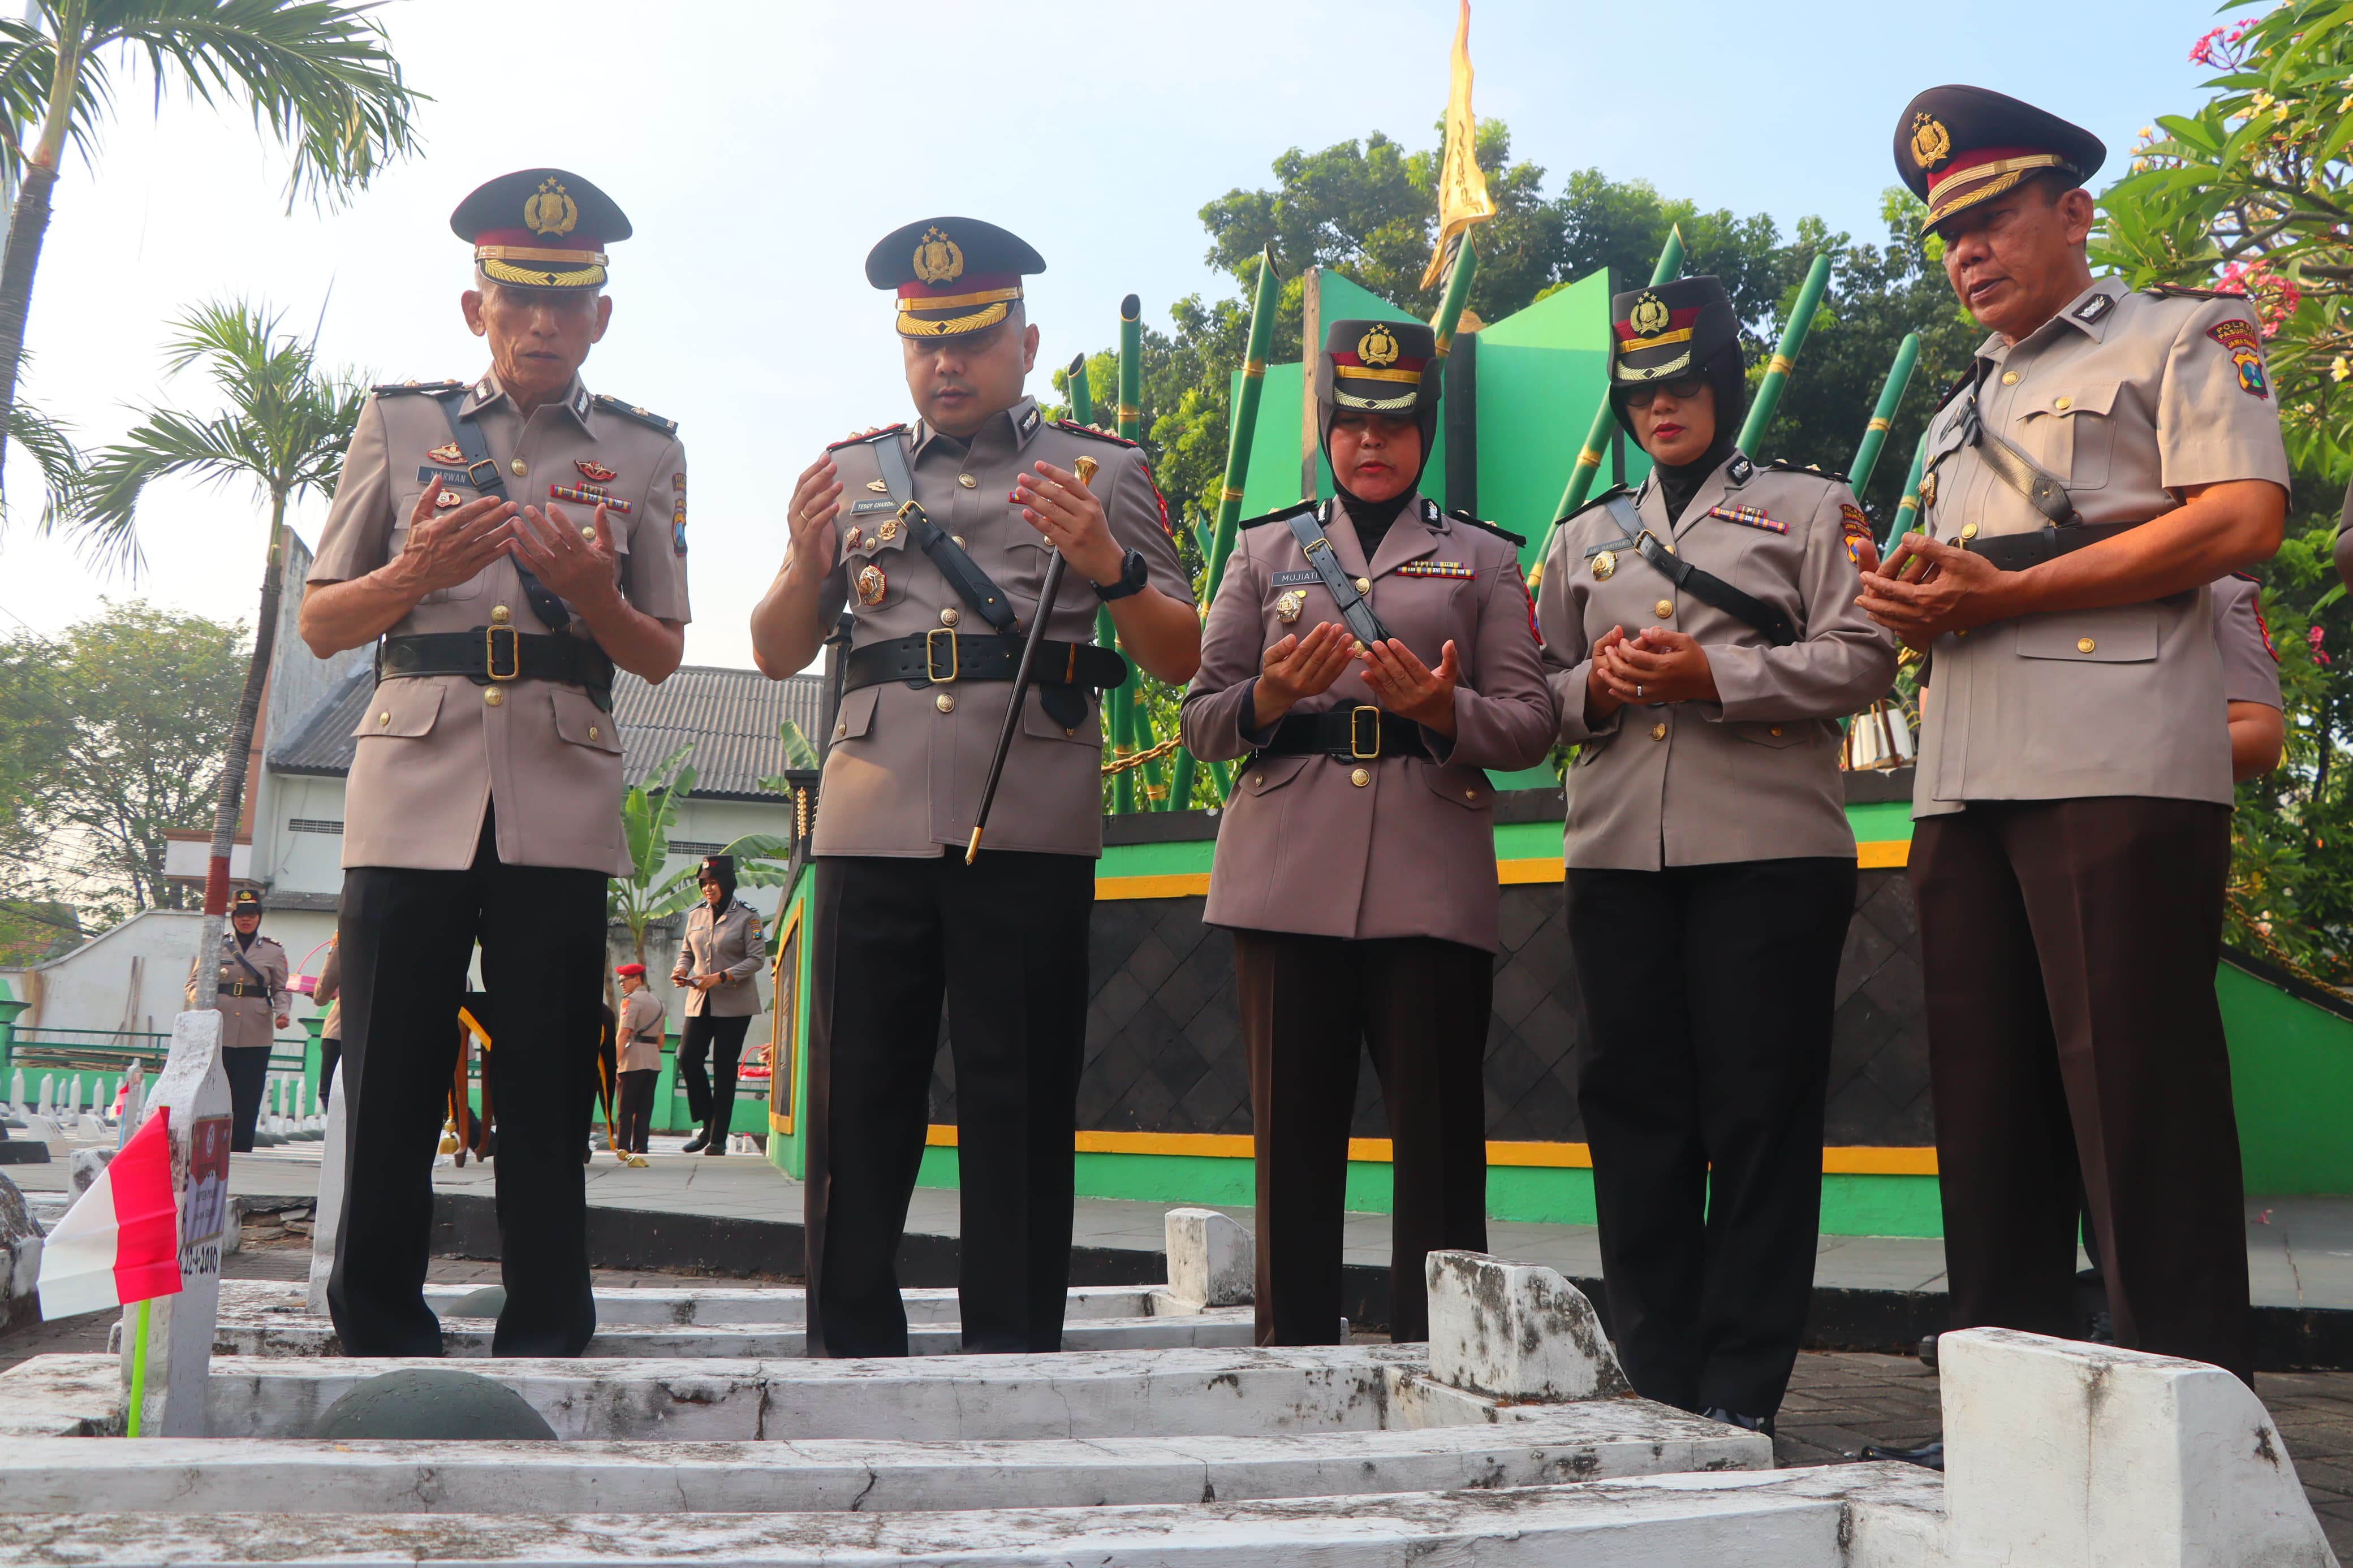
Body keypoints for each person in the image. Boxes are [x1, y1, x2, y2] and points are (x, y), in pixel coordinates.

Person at [1859, 87, 2288, 1385]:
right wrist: (1904, 599)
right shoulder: (1950, 415)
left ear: (2072, 210)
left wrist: (2005, 590)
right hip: (1964, 777)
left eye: (1992, 216)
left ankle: (2190, 1422)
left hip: (2118, 770)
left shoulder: (2182, 337)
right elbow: (1964, 595)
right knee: (1988, 1118)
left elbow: (2236, 520)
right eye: (1948, 233)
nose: (1967, 250)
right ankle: (2005, 1415)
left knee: (2136, 1106)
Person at [749, 216, 1199, 1357]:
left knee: (1017, 1093)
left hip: (1028, 819)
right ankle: (848, 1336)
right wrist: (806, 571)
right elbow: (770, 648)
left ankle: (1012, 1342)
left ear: (1025, 341)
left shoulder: (1102, 473)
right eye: (924, 341)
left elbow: (1183, 654)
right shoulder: (846, 476)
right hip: (871, 810)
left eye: (971, 338)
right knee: (858, 1095)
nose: (945, 363)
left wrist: (1112, 565)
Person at [296, 167, 691, 1358]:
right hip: (414, 778)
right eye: (517, 298)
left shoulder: (644, 450)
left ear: (600, 318)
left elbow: (663, 652)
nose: (541, 323)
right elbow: (324, 622)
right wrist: (413, 576)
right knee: (392, 1067)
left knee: (544, 1071)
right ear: (479, 308)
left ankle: (549, 1319)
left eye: (567, 301)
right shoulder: (400, 424)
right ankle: (375, 1317)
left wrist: (584, 590)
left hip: (560, 789)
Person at [1534, 276, 1897, 1431]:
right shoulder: (1586, 534)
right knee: (1633, 1116)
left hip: (1767, 853)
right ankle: (1657, 1384)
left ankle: (1740, 1395)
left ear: (1725, 386)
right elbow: (1537, 689)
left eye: (1684, 385)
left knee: (1757, 1119)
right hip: (1614, 854)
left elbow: (1865, 657)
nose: (1662, 409)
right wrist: (1595, 684)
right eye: (1640, 392)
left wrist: (1718, 676)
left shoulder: (1809, 505)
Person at [1179, 319, 1553, 1345]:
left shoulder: (1480, 558)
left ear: (1425, 430)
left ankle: (1440, 1350)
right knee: (1292, 1136)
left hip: (1428, 879)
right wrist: (1269, 691)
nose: (1371, 442)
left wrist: (1441, 712)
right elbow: (1203, 720)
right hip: (1284, 872)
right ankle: (1293, 1352)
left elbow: (1530, 723)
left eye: (1393, 422)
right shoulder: (1266, 549)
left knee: (1437, 1143)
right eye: (1351, 422)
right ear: (1328, 432)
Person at [669, 855, 765, 1154]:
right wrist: (681, 970)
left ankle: (718, 1138)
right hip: (699, 999)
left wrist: (721, 976)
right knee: (688, 1058)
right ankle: (707, 1123)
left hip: (735, 1004)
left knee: (725, 1068)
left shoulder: (748, 917)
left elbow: (756, 959)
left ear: (726, 883)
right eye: (703, 884)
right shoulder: (696, 915)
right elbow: (687, 952)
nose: (708, 889)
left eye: (713, 883)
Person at [186, 888, 291, 1152]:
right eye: (241, 914)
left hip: (256, 1032)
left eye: (252, 914)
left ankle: (241, 1147)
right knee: (214, 1091)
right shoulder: (215, 945)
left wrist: (283, 1012)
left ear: (259, 917)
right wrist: (201, 999)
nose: (246, 920)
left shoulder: (273, 951)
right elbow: (192, 982)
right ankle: (209, 1147)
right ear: (233, 917)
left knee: (248, 1092)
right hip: (219, 1029)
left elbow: (280, 988)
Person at [614, 962, 665, 1156]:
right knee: (644, 1109)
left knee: (625, 1110)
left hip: (632, 1061)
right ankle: (641, 1148)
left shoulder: (630, 1001)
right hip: (653, 1061)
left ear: (637, 979)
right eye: (619, 981)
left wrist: (615, 1062)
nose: (621, 984)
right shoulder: (659, 1003)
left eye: (624, 980)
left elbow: (624, 1033)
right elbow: (661, 1040)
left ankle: (623, 1149)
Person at [313, 934, 343, 1109]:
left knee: (332, 1092)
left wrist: (319, 995)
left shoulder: (347, 931)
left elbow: (324, 990)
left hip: (343, 1028)